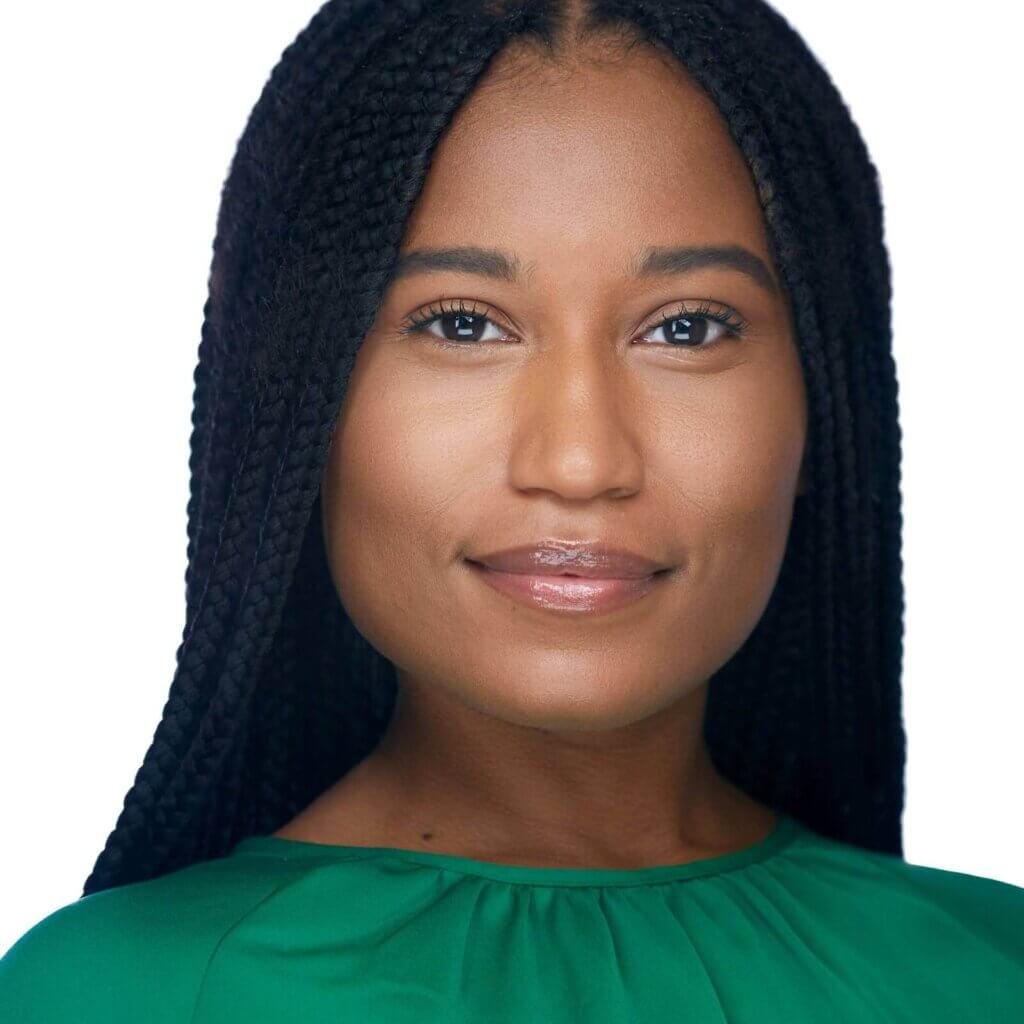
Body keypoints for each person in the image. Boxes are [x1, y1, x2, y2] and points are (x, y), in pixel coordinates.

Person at [2, 0, 1022, 1019]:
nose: (579, 460)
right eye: (460, 323)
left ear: (822, 405)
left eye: (687, 329)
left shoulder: (990, 974)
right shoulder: (113, 994)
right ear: (300, 407)